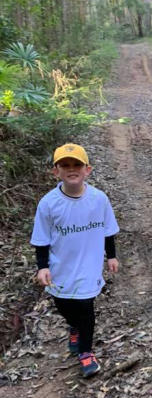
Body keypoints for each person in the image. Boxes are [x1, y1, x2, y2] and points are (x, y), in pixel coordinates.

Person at [30, 143, 120, 377]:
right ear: (55, 171)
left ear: (87, 170)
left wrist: (111, 256)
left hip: (89, 266)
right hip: (61, 267)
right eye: (65, 165)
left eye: (77, 165)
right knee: (64, 305)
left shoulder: (99, 199)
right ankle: (74, 327)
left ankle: (85, 352)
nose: (72, 169)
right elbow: (42, 238)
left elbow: (108, 230)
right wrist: (42, 267)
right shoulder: (48, 204)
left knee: (86, 308)